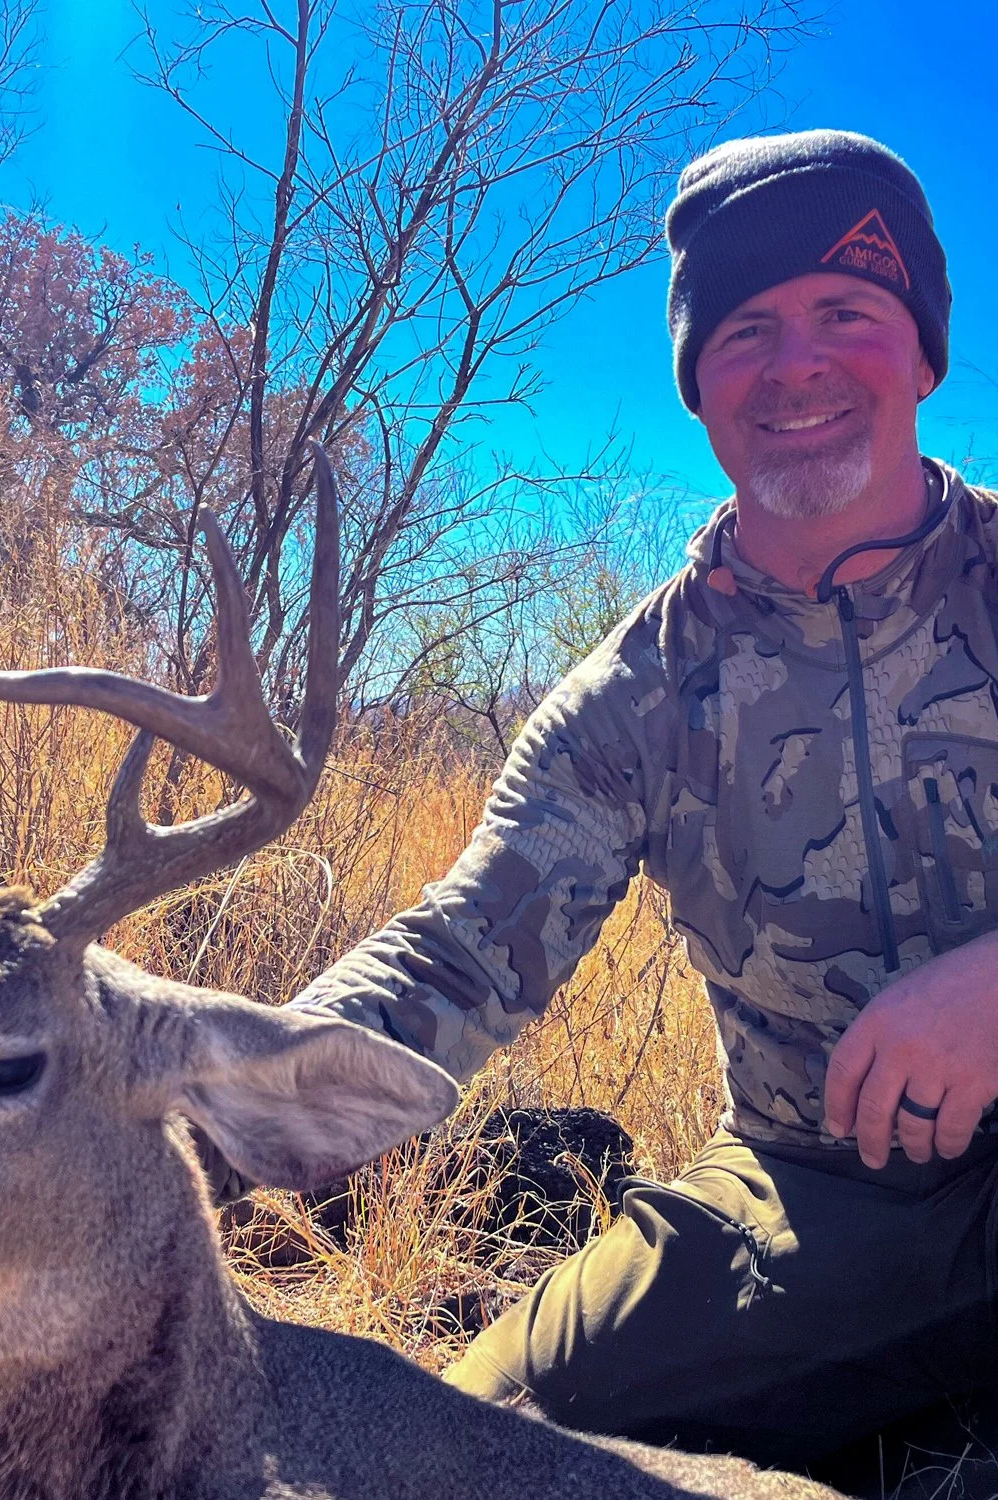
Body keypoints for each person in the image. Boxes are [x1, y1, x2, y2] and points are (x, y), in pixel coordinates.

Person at [278, 130, 998, 1466]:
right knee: (461, 1439)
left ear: (922, 350)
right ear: (698, 384)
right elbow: (457, 955)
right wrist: (215, 1099)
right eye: (747, 332)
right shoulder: (636, 698)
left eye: (845, 313)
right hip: (815, 1197)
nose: (796, 367)